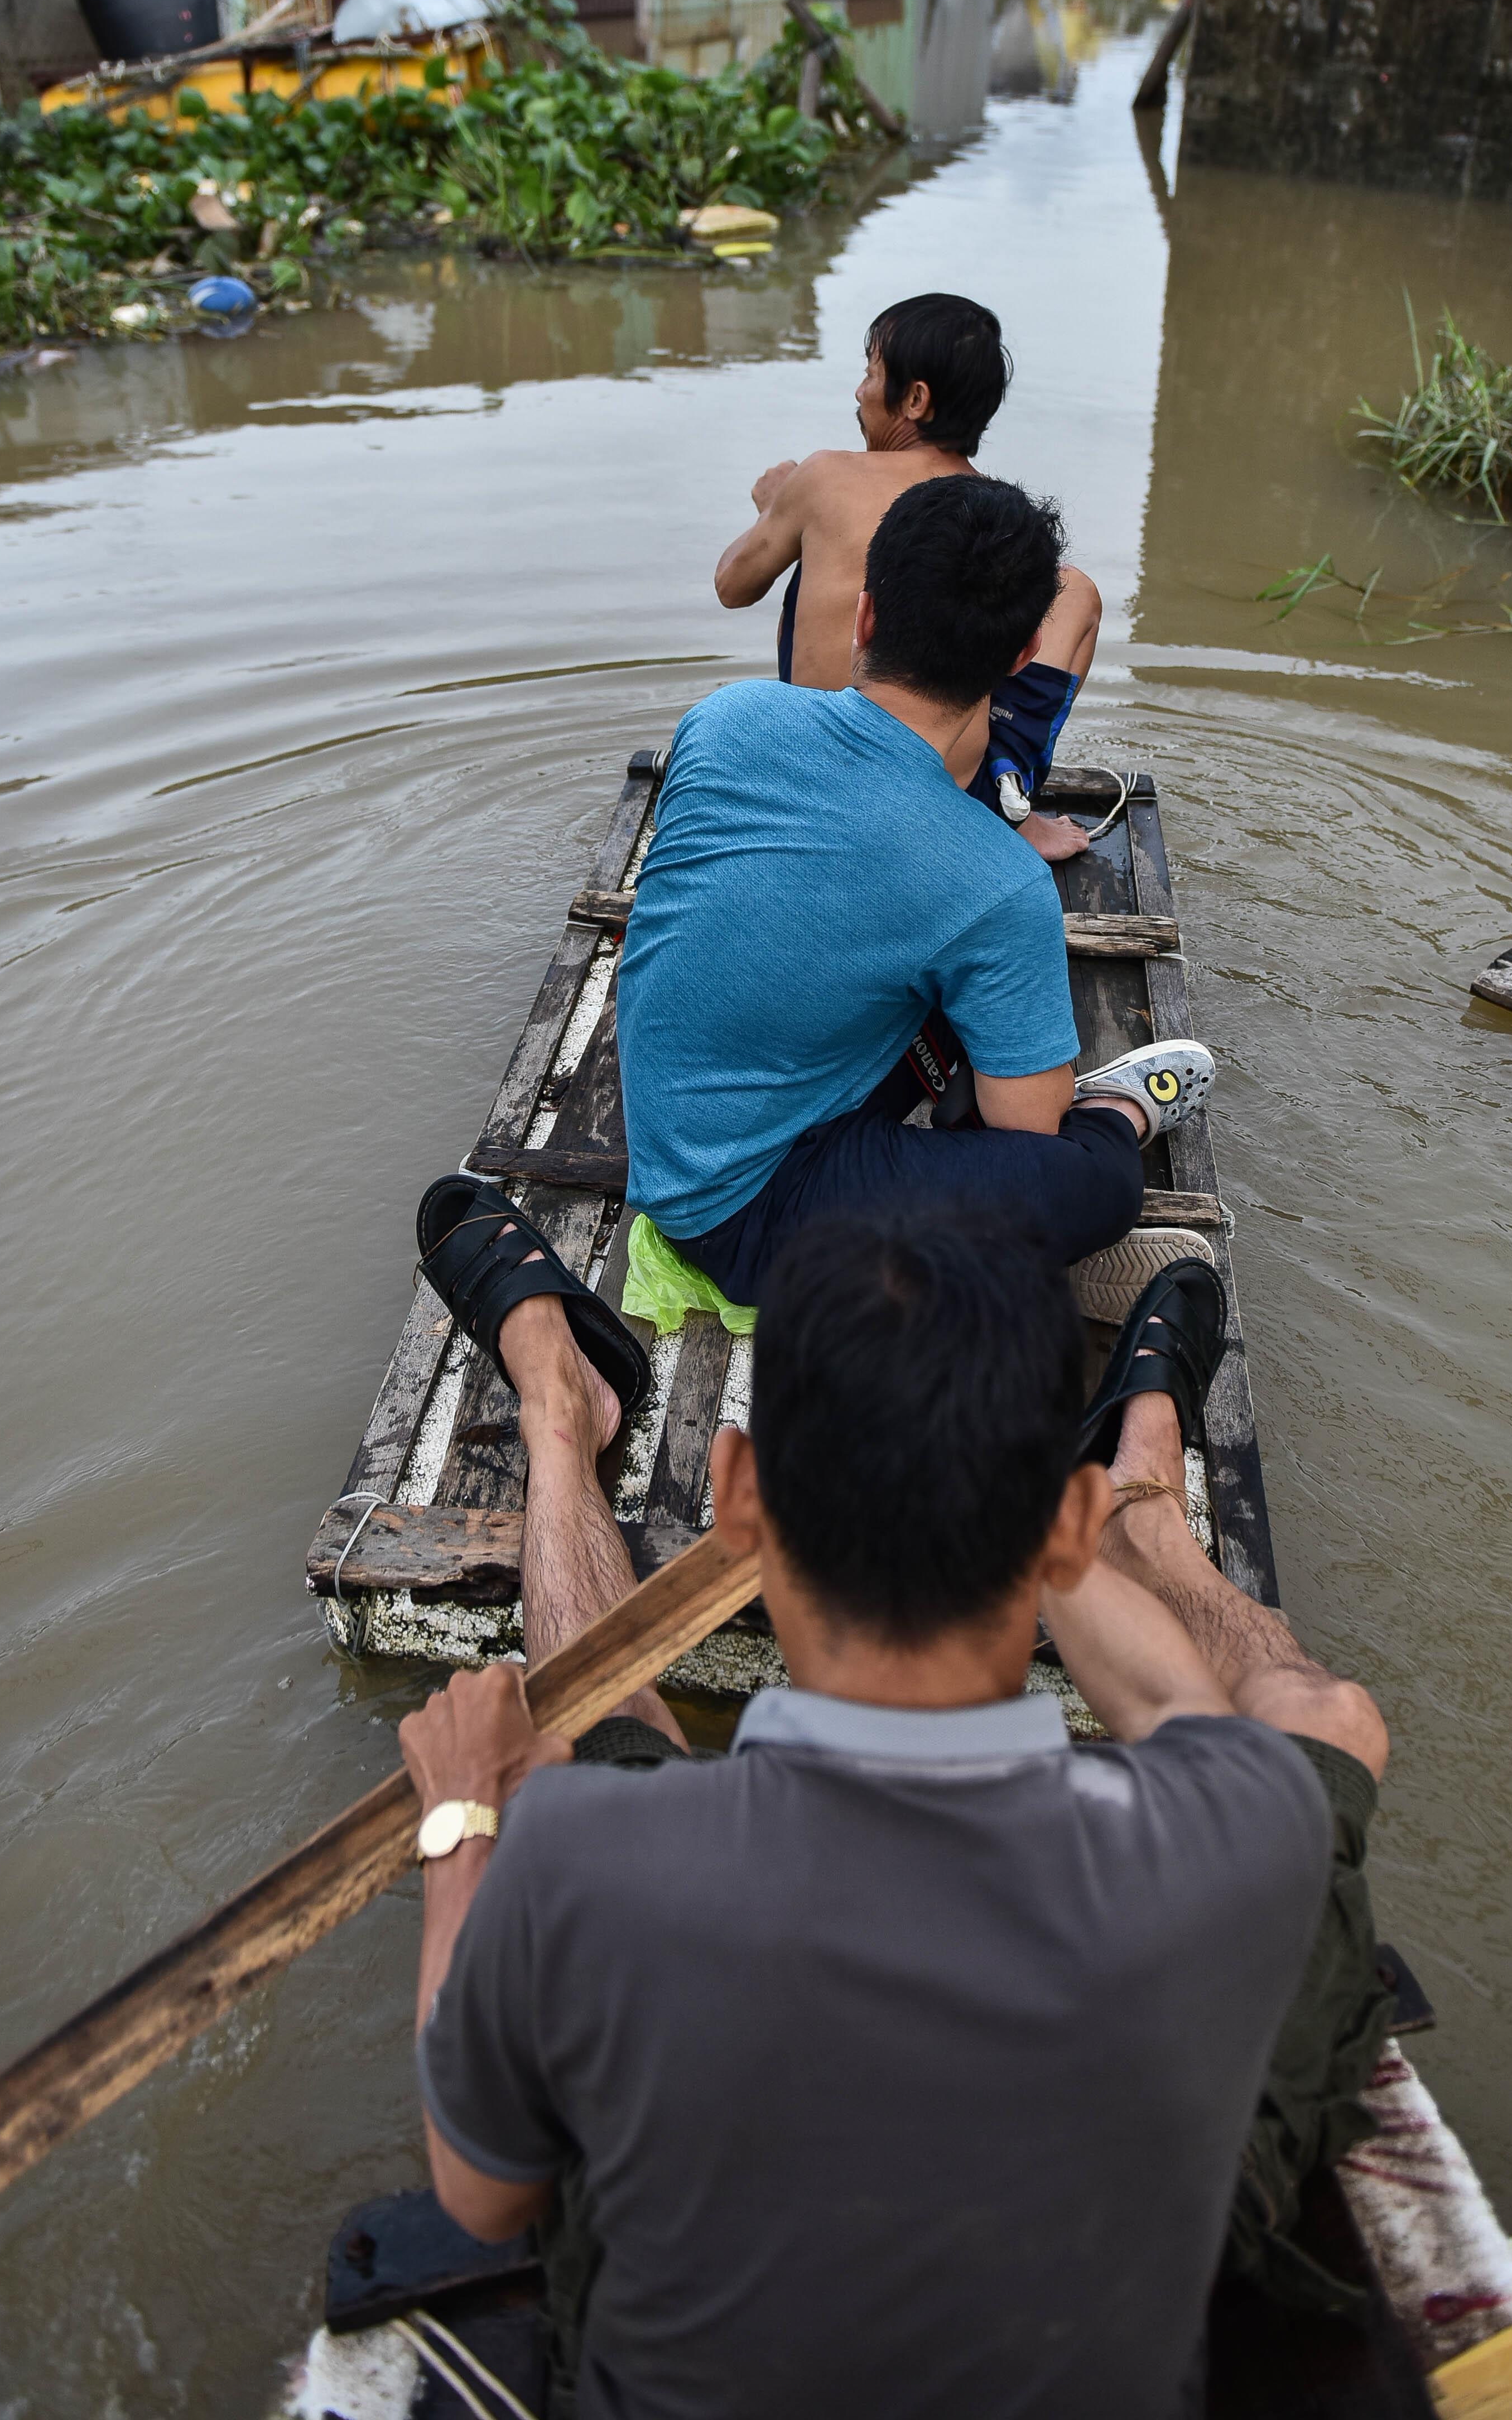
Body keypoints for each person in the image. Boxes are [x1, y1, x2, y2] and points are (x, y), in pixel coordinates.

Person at [399, 1211, 1390, 2420]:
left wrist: (461, 1826)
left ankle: (560, 1423)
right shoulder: (1239, 1830)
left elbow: (480, 2194)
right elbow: (1186, 1712)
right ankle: (1144, 1502)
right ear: (1062, 1537)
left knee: (612, 1744)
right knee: (1324, 1727)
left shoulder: (575, 1855)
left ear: (734, 1499)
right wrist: (1045, 1519)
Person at [617, 469, 1216, 1308]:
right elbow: (1027, 1135)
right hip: (739, 1212)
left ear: (865, 616)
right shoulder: (997, 880)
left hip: (671, 1121)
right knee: (1091, 1185)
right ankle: (1118, 1112)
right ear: (1015, 662)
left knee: (932, 980)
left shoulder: (723, 718)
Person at [712, 291, 1103, 860]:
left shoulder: (822, 477)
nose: (859, 391)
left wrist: (774, 512)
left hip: (818, 776)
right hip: (940, 794)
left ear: (914, 399)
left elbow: (731, 586)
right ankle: (1006, 802)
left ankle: (990, 800)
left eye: (871, 372)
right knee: (1074, 593)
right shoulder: (994, 515)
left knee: (812, 568)